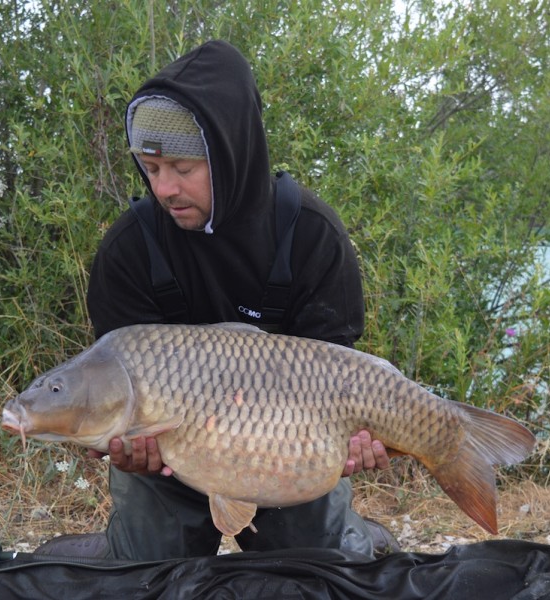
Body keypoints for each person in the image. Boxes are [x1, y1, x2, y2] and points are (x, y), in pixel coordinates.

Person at [38, 40, 396, 561]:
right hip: (172, 459)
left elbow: (338, 376)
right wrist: (125, 448)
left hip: (284, 451)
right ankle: (125, 547)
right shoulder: (129, 250)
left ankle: (353, 538)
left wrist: (361, 440)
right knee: (146, 573)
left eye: (183, 167)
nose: (164, 189)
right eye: (151, 168)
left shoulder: (312, 235)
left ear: (230, 154)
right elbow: (112, 395)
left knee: (315, 572)